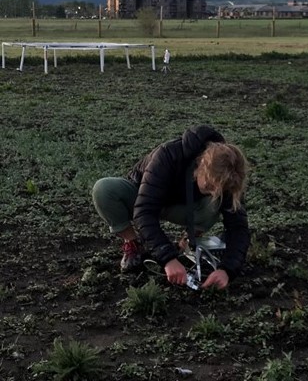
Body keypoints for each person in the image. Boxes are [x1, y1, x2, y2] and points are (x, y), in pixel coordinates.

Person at [91, 124, 250, 289]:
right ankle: (132, 244)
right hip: (143, 198)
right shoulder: (168, 154)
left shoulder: (227, 173)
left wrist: (227, 270)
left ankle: (188, 242)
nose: (212, 191)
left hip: (183, 207)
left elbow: (238, 226)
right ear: (200, 165)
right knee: (104, 189)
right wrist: (167, 259)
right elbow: (144, 211)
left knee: (215, 202)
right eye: (209, 186)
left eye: (217, 190)